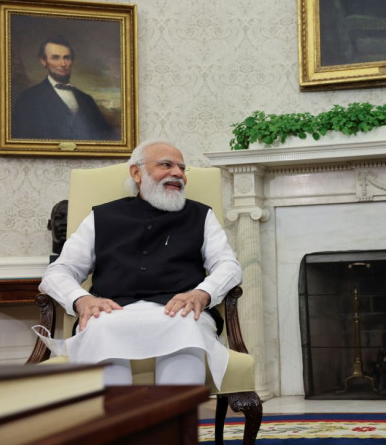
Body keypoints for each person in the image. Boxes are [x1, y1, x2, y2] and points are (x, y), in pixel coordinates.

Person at [37, 139, 242, 388]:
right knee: (102, 327)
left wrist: (202, 293)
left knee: (185, 326)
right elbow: (59, 270)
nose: (178, 173)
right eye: (166, 165)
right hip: (113, 311)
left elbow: (228, 265)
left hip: (180, 311)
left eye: (181, 168)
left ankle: (176, 422)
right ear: (136, 172)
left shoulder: (201, 216)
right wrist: (82, 300)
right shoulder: (102, 216)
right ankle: (118, 422)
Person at [12, 35, 118, 141]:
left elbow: (107, 138)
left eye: (67, 58)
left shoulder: (87, 99)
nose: (63, 64)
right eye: (55, 58)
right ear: (43, 61)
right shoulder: (27, 99)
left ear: (72, 61)